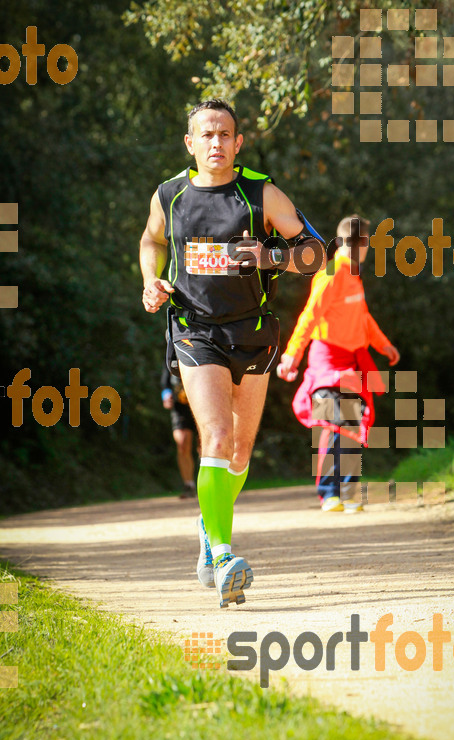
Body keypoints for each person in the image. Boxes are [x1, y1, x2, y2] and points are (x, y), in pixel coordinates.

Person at [139, 99, 325, 608]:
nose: (216, 142)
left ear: (238, 143)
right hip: (194, 329)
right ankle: (222, 557)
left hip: (253, 331)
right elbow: (150, 241)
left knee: (240, 451)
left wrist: (270, 256)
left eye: (225, 134)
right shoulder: (169, 195)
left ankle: (208, 522)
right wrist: (151, 282)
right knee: (216, 434)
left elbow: (316, 253)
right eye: (207, 134)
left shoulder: (260, 193)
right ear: (190, 142)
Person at [277, 215, 400, 512]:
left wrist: (383, 345)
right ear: (363, 243)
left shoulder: (353, 275)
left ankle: (347, 493)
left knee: (351, 423)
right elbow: (310, 315)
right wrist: (291, 355)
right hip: (325, 362)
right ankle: (328, 493)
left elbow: (362, 318)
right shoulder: (332, 273)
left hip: (350, 362)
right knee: (332, 423)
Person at [160, 362, 197, 499]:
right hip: (179, 406)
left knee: (203, 446)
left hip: (200, 402)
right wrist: (166, 396)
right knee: (182, 444)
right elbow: (165, 381)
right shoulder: (171, 353)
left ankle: (207, 484)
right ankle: (189, 485)